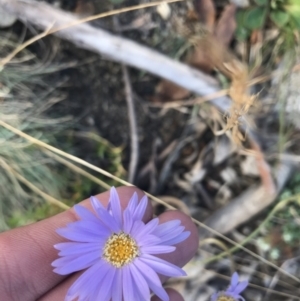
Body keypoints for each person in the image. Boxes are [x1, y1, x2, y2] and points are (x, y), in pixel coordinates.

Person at [0, 186, 198, 301]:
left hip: (141, 234)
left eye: (121, 250)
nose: (121, 251)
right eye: (119, 250)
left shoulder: (129, 234)